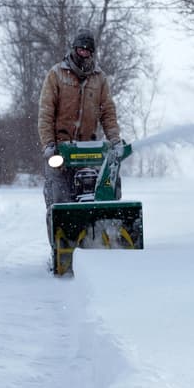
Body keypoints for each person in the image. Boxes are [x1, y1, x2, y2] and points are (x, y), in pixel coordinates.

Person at [37, 28, 121, 241]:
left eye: (88, 50)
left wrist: (114, 140)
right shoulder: (56, 74)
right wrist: (49, 144)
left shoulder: (99, 78)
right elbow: (46, 112)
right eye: (80, 48)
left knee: (110, 187)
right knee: (59, 200)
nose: (83, 52)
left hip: (90, 150)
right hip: (61, 150)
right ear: (73, 49)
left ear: (92, 53)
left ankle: (104, 239)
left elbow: (108, 112)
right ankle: (60, 248)